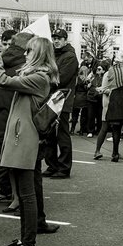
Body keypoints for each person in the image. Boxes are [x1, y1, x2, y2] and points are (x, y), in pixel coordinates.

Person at [0, 36, 60, 246]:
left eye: (29, 51)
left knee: (27, 194)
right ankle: (26, 241)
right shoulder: (36, 76)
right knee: (27, 193)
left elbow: (1, 80)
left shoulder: (39, 78)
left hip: (25, 140)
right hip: (22, 138)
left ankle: (29, 245)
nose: (24, 54)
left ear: (38, 54)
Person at [43, 28, 78, 178]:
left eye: (59, 38)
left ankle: (64, 167)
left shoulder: (69, 57)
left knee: (62, 135)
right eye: (54, 38)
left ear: (65, 39)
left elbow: (61, 79)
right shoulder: (53, 55)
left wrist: (45, 76)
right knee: (49, 135)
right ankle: (52, 165)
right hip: (52, 100)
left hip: (62, 100)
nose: (56, 41)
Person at [99, 54, 123, 163]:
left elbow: (110, 85)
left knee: (116, 128)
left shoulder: (111, 70)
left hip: (115, 97)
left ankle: (115, 154)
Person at [85, 63, 106, 138]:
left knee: (99, 115)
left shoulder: (104, 78)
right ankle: (90, 130)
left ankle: (99, 130)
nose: (97, 70)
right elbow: (87, 84)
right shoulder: (93, 76)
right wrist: (88, 83)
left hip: (99, 98)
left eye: (99, 69)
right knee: (91, 115)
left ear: (103, 71)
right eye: (97, 69)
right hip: (91, 98)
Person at [70, 65, 89, 135]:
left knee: (75, 114)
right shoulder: (87, 80)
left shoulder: (77, 79)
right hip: (84, 98)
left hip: (77, 97)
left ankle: (72, 129)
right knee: (83, 116)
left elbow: (73, 88)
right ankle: (81, 130)